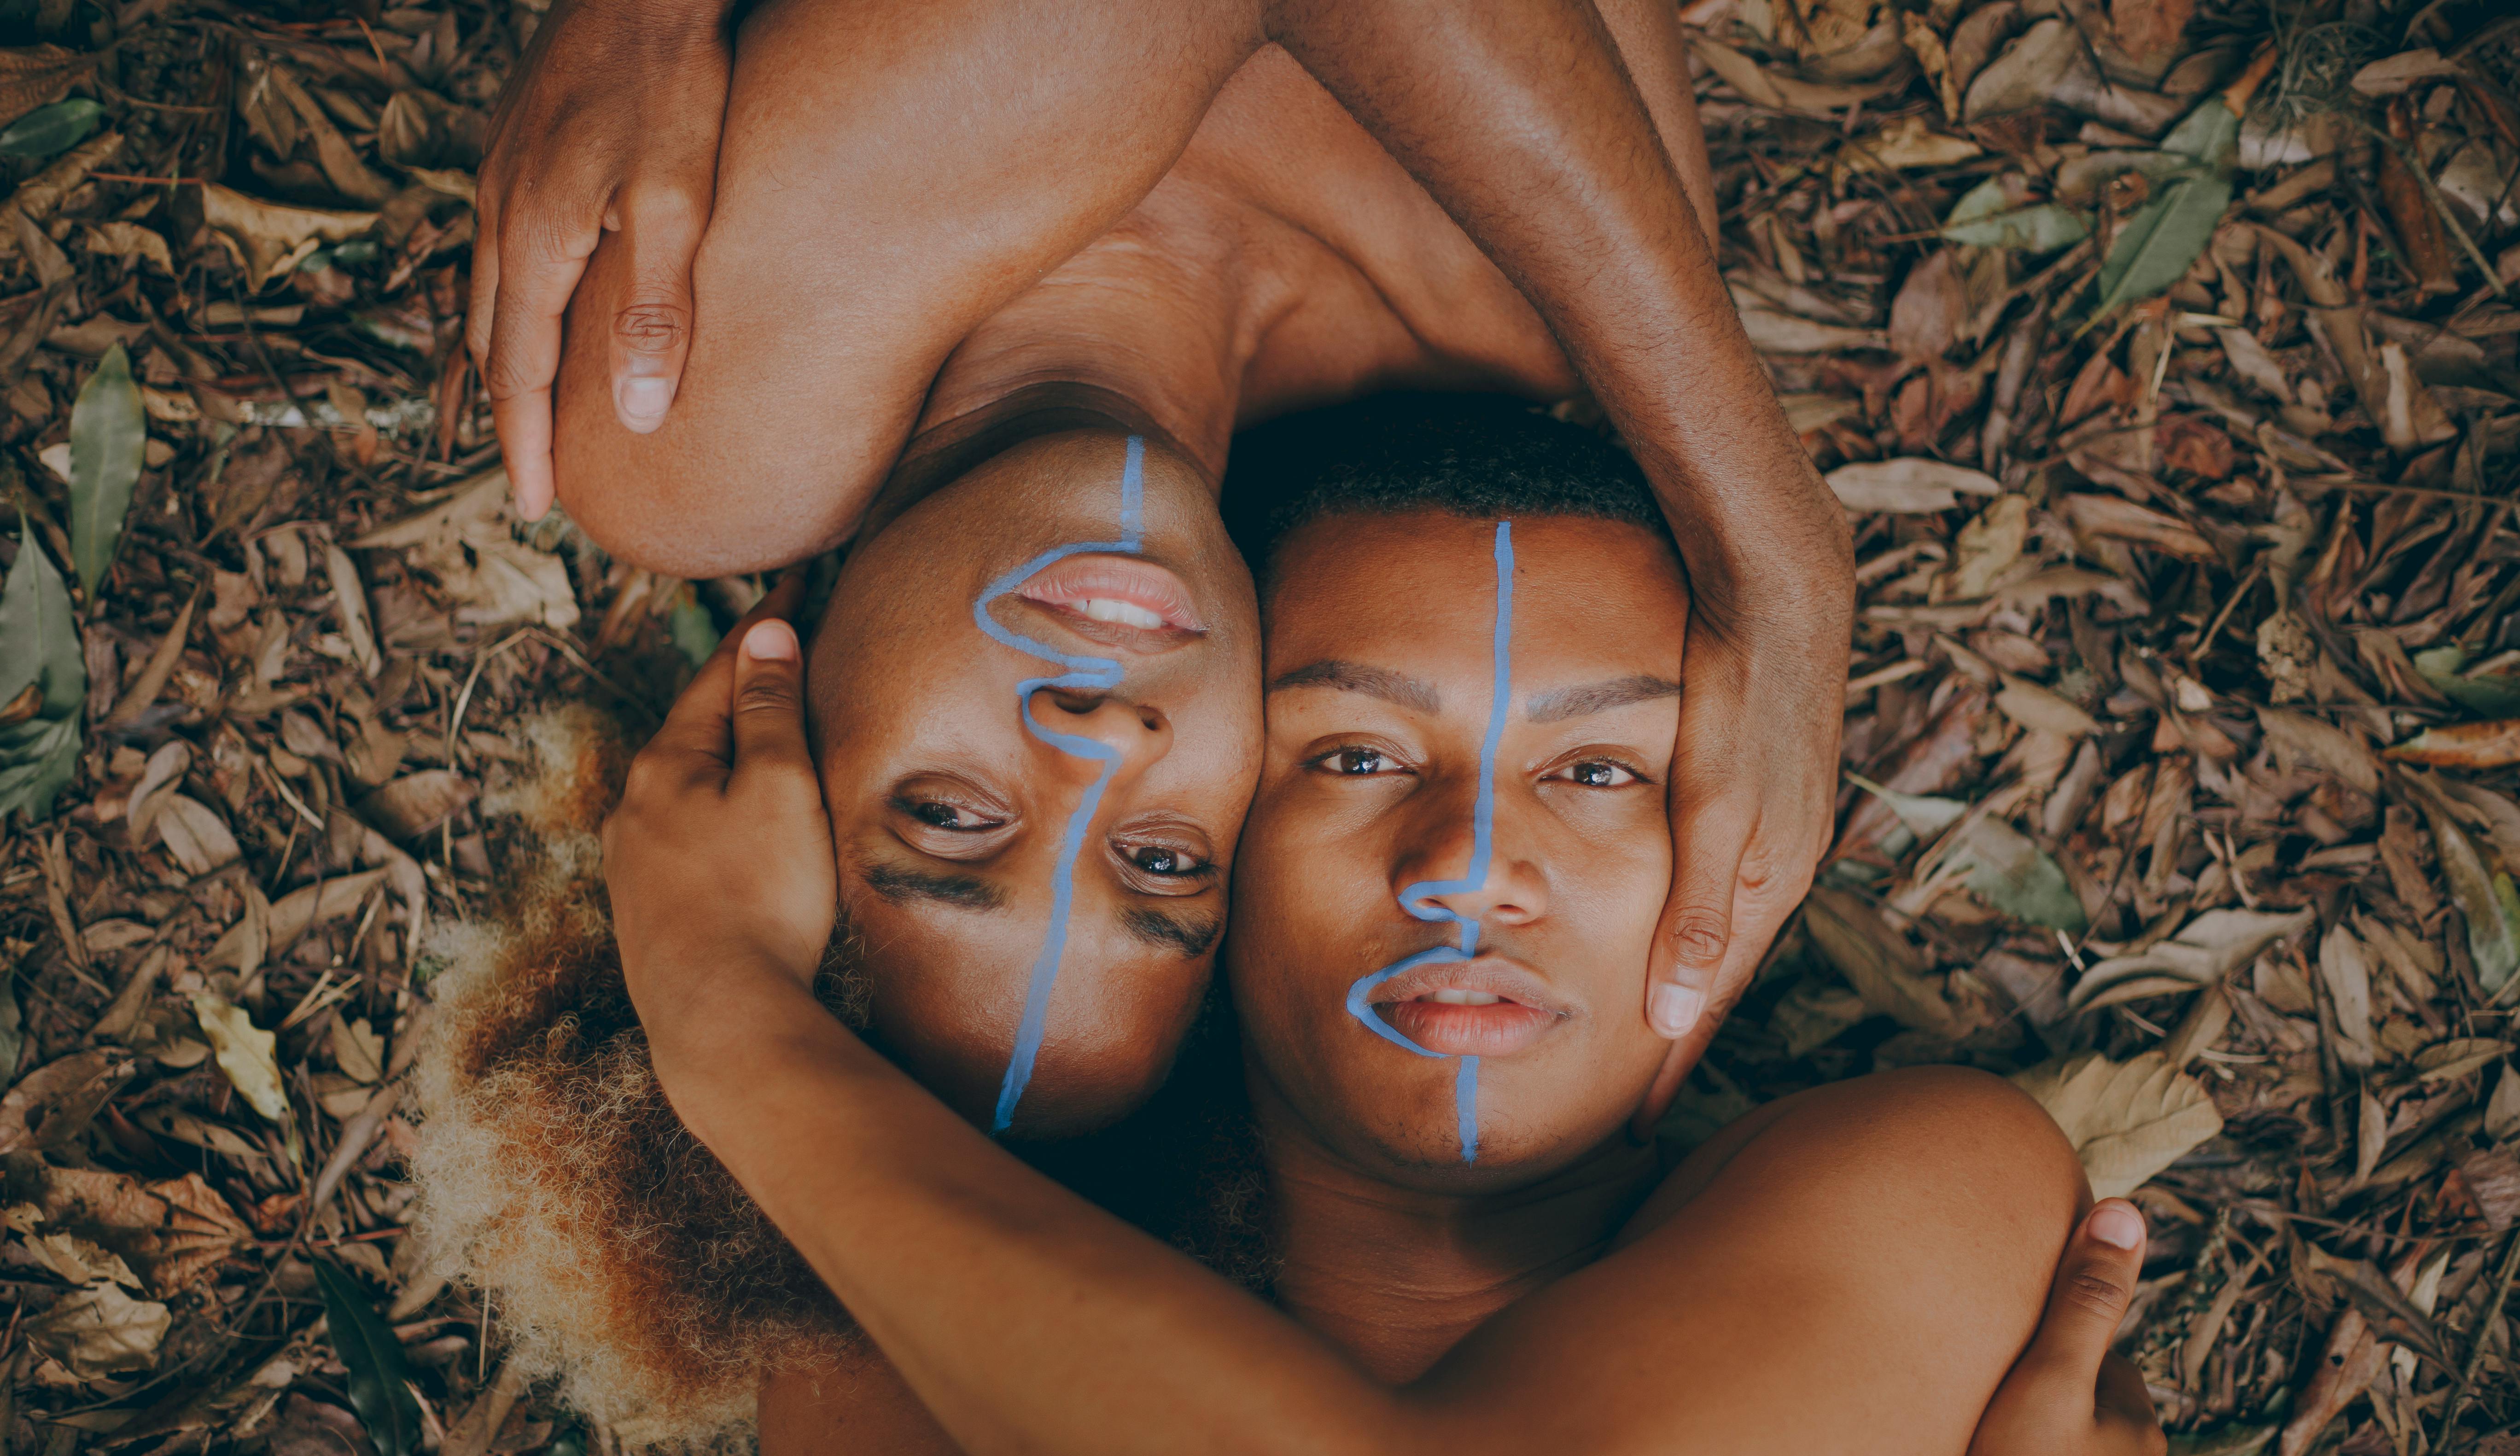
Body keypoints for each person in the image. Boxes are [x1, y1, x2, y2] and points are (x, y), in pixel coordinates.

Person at [598, 397, 2171, 1456]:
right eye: (1350, 753)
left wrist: (718, 1014)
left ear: (1743, 858)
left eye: (1605, 772)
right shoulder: (904, 1320)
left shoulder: (1939, 1190)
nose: (1473, 862)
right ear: (1201, 836)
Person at [469, 0, 1858, 1100]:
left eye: (950, 817)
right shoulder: (1516, 303)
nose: (1105, 738)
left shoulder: (696, 424)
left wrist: (1774, 544)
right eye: (1163, 858)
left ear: (777, 722)